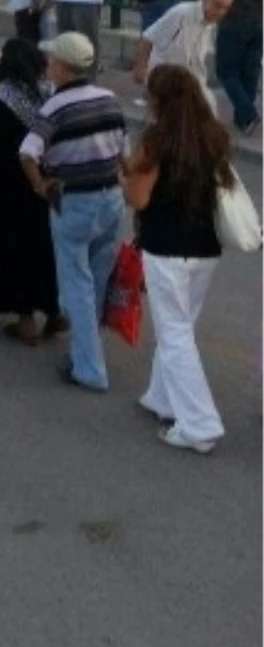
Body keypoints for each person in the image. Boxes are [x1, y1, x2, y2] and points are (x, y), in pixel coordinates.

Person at [120, 65, 234, 453]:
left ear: (158, 100)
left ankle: (199, 424)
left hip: (165, 246)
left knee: (174, 334)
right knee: (183, 326)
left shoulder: (157, 140)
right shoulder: (213, 136)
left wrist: (126, 176)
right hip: (206, 246)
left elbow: (138, 199)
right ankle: (163, 397)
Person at [19, 32, 127, 391]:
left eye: (52, 60)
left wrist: (39, 185)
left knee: (76, 286)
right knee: (97, 278)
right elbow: (123, 152)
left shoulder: (53, 107)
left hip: (74, 201)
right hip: (111, 198)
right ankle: (88, 349)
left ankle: (90, 369)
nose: (48, 65)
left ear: (63, 67)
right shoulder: (111, 99)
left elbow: (27, 152)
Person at [0, 39, 62, 345]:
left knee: (15, 252)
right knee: (48, 249)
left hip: (9, 190)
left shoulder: (0, 101)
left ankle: (26, 321)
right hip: (48, 185)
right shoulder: (49, 95)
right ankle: (54, 310)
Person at [132, 0, 232, 111]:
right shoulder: (181, 14)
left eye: (226, 8)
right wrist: (140, 68)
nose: (221, 12)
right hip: (168, 80)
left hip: (191, 82)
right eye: (217, 5)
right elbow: (148, 37)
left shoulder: (210, 24)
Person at [213, 0, 264, 135]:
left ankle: (248, 113)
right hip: (260, 22)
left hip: (232, 20)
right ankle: (243, 121)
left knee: (226, 71)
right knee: (250, 71)